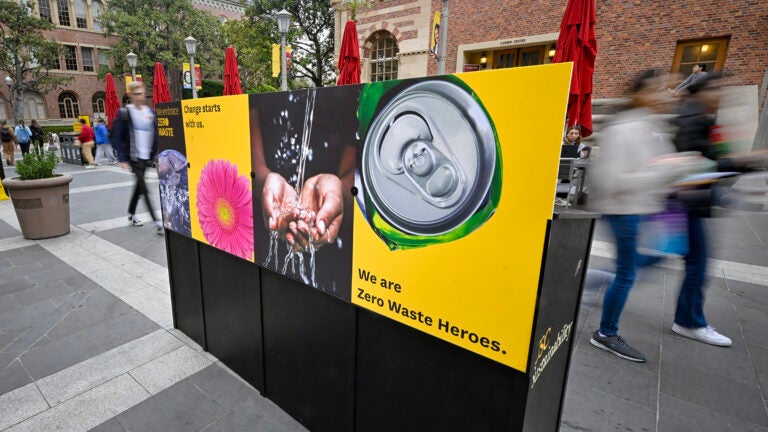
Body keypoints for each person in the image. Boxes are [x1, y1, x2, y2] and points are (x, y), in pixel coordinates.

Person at [587, 69, 712, 362]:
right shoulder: (622, 128)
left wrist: (682, 169)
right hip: (624, 211)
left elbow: (662, 167)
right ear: (640, 94)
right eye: (658, 90)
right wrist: (664, 171)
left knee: (663, 255)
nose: (666, 95)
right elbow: (610, 181)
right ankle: (606, 333)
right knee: (627, 272)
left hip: (654, 207)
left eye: (667, 89)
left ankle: (599, 279)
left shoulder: (654, 126)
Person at [668, 73, 767, 347]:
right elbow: (695, 168)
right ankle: (688, 321)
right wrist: (746, 160)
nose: (720, 94)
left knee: (654, 261)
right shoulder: (693, 120)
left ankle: (688, 319)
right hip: (686, 204)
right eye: (716, 89)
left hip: (690, 203)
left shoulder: (698, 118)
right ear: (700, 92)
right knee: (695, 262)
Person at [112, 81, 163, 234]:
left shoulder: (150, 112)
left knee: (139, 186)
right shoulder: (125, 113)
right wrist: (121, 158)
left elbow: (156, 134)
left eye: (142, 93)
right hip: (133, 157)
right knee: (144, 187)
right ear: (130, 95)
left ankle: (131, 213)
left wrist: (155, 153)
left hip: (146, 157)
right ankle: (157, 221)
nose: (140, 97)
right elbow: (117, 137)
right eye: (137, 94)